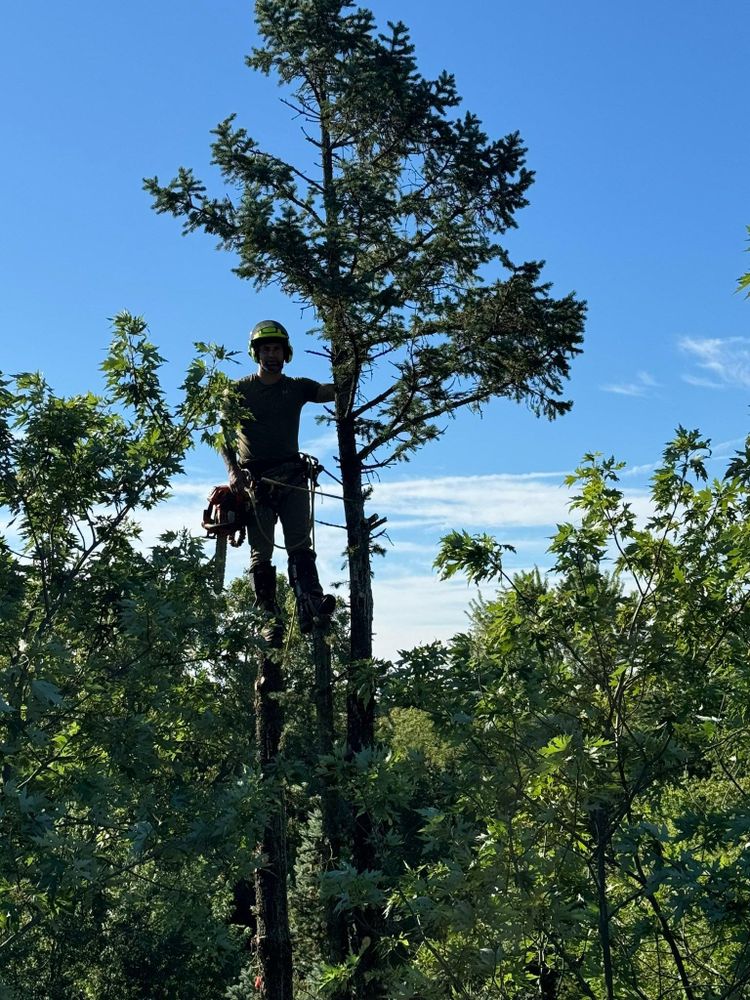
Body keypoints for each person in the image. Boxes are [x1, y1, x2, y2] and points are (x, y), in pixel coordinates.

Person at [220, 319, 337, 635]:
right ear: (256, 353)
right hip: (257, 484)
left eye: (277, 349)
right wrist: (234, 473)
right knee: (262, 553)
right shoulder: (239, 390)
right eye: (266, 349)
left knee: (300, 544)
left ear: (287, 354)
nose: (272, 354)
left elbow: (330, 392)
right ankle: (269, 620)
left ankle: (311, 605)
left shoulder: (296, 387)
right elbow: (224, 438)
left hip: (293, 478)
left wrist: (348, 362)